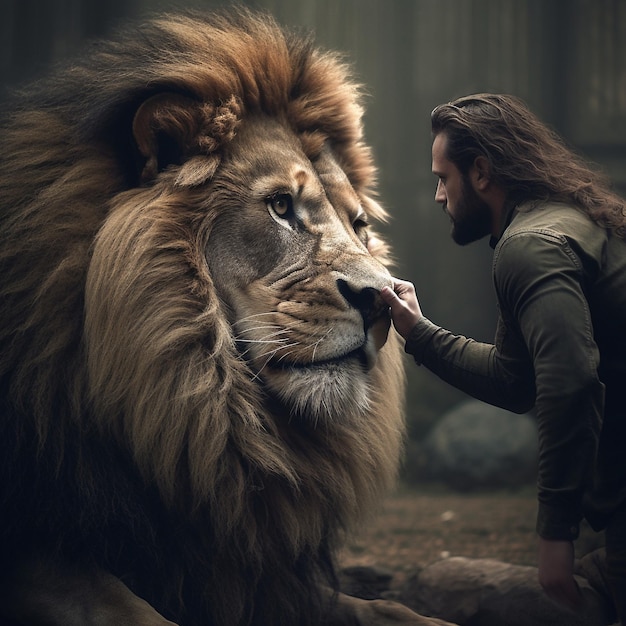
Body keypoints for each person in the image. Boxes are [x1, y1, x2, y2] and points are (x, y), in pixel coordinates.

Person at [381, 93, 626, 623]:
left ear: (483, 172)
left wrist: (554, 532)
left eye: (444, 178)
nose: (439, 195)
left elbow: (570, 383)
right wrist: (417, 332)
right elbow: (517, 381)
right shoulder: (561, 223)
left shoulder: (529, 247)